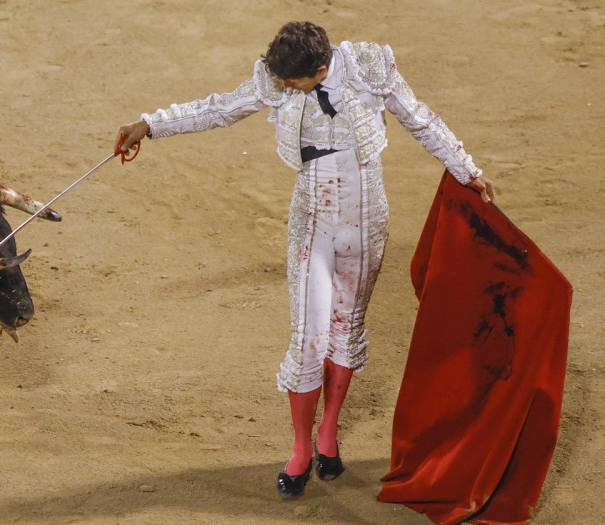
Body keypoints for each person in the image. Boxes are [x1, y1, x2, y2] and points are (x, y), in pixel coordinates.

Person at [114, 21, 494, 499]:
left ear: (321, 68)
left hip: (366, 218)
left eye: (293, 82)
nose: (283, 88)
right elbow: (222, 108)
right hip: (311, 220)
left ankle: (328, 434)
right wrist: (150, 124)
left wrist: (467, 170)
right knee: (309, 336)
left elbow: (420, 118)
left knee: (346, 331)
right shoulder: (279, 76)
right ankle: (299, 447)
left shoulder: (370, 68)